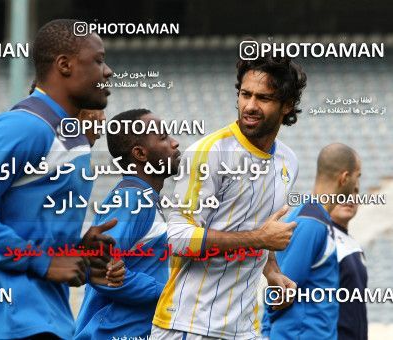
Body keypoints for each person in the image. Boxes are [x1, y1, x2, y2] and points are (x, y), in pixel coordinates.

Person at [0, 19, 123, 339]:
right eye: (98, 60)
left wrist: (77, 252)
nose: (107, 71)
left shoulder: (75, 142)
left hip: (47, 320)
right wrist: (41, 261)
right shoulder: (23, 125)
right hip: (8, 325)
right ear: (64, 65)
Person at [152, 55, 307, 339]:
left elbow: (262, 227)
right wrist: (259, 238)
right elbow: (176, 238)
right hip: (189, 325)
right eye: (245, 94)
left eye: (264, 98)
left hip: (245, 328)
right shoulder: (207, 153)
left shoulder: (288, 161)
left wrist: (272, 272)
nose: (250, 106)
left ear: (287, 106)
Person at [75, 109, 180, 339]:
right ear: (140, 153)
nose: (174, 143)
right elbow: (100, 270)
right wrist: (166, 292)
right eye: (163, 138)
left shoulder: (145, 199)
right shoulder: (132, 200)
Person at [263, 143, 361, 340]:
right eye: (357, 177)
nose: (357, 186)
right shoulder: (311, 223)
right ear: (344, 178)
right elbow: (280, 291)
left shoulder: (318, 219)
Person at [331, 197, 368, 340]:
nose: (349, 198)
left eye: (355, 191)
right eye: (343, 193)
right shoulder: (319, 238)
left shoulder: (355, 245)